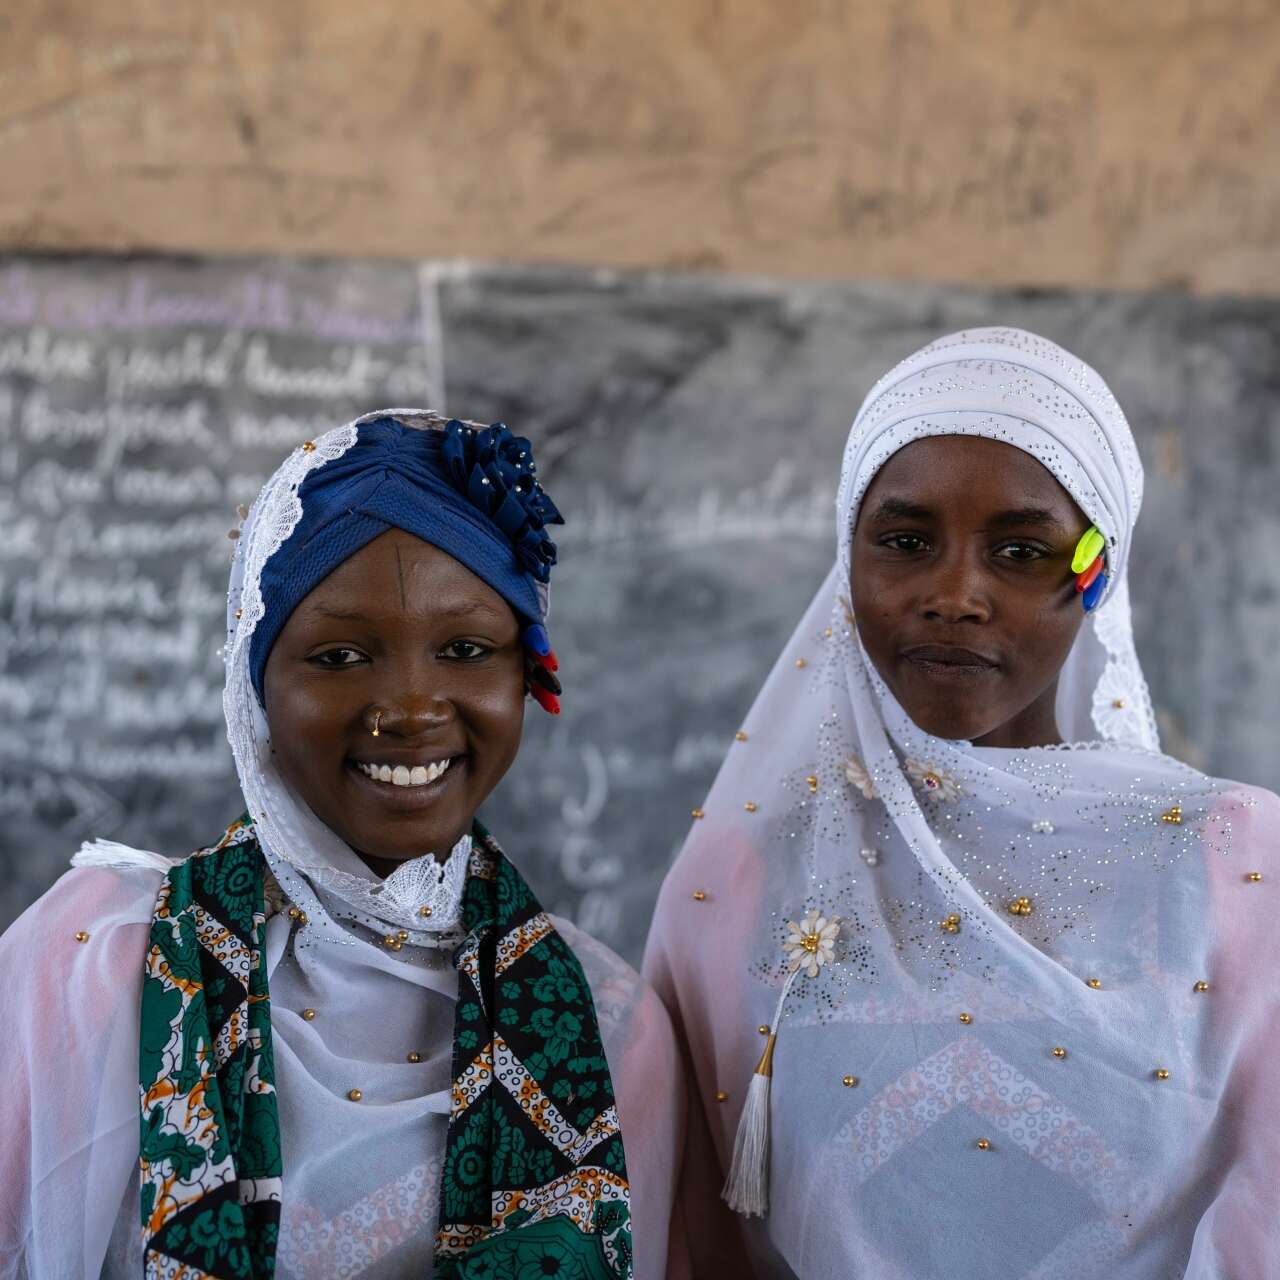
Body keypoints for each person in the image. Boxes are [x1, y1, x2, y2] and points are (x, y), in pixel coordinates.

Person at [643, 329, 1280, 1278]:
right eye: (904, 542)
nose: (955, 595)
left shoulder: (1230, 862)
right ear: (846, 567)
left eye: (1021, 551)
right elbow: (690, 1234)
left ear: (1096, 575)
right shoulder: (744, 880)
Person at [0, 411, 685, 1280]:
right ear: (255, 686)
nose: (409, 707)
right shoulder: (99, 967)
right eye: (338, 656)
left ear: (526, 674)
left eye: (467, 649)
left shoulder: (610, 1023)